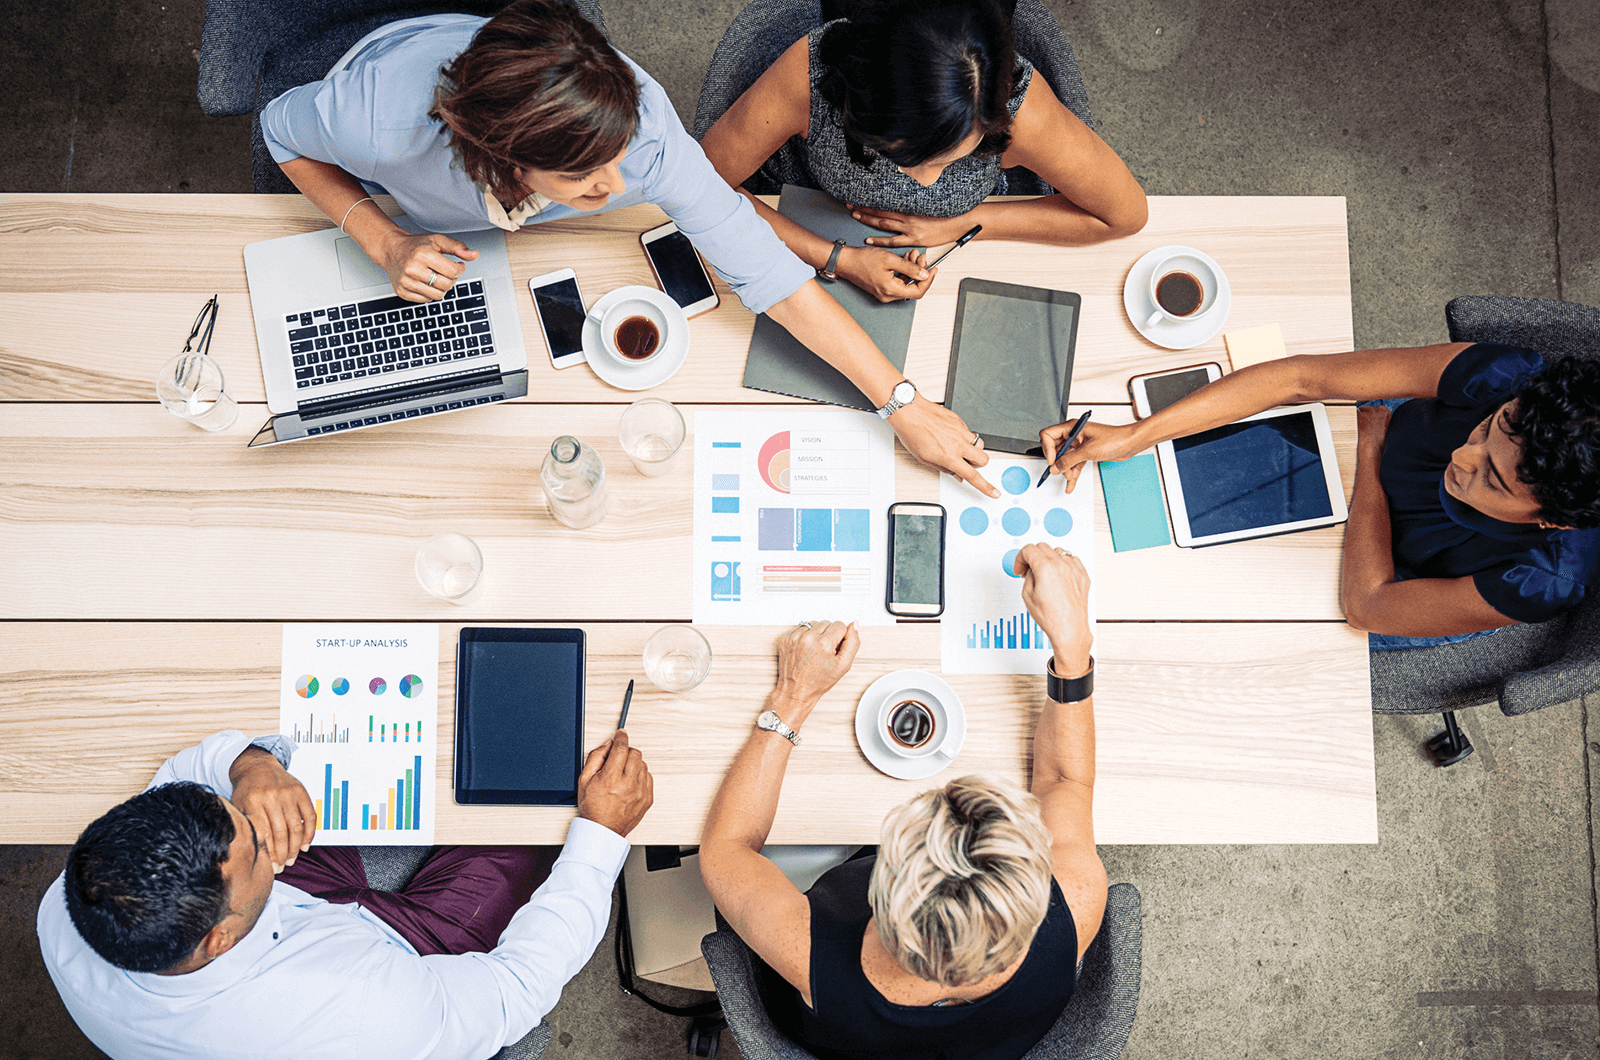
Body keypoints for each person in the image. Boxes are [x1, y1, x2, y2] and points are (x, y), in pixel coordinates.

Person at [260, 0, 996, 497]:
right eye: (584, 177)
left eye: (618, 157)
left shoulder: (641, 133)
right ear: (504, 157)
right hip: (400, 110)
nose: (622, 184)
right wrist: (382, 239)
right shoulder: (372, 122)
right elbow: (280, 133)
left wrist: (903, 404)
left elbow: (766, 273)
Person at [699, 543, 1104, 1060]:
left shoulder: (811, 956)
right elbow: (1067, 780)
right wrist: (1073, 647)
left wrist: (793, 697)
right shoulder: (1078, 903)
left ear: (879, 891)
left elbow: (725, 849)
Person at [37, 727, 653, 1060]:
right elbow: (514, 989)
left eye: (233, 811)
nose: (260, 822)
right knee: (535, 827)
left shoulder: (81, 893)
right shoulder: (357, 1021)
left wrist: (252, 769)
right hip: (381, 963)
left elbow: (175, 777)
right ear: (219, 936)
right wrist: (601, 835)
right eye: (255, 846)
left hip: (303, 913)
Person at [1045, 343, 1600, 647]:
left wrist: (1371, 457)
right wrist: (1135, 435)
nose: (1463, 456)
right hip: (1355, 451)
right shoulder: (1509, 379)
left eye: (1493, 480)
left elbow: (1368, 606)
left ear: (1552, 522)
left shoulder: (1542, 577)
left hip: (1394, 576)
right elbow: (1302, 378)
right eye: (1488, 428)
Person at [698, 0, 1147, 304]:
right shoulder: (811, 77)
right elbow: (700, 186)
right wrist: (839, 259)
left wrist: (963, 225)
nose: (928, 180)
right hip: (801, 208)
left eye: (951, 159)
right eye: (908, 156)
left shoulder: (1019, 108)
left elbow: (1126, 215)